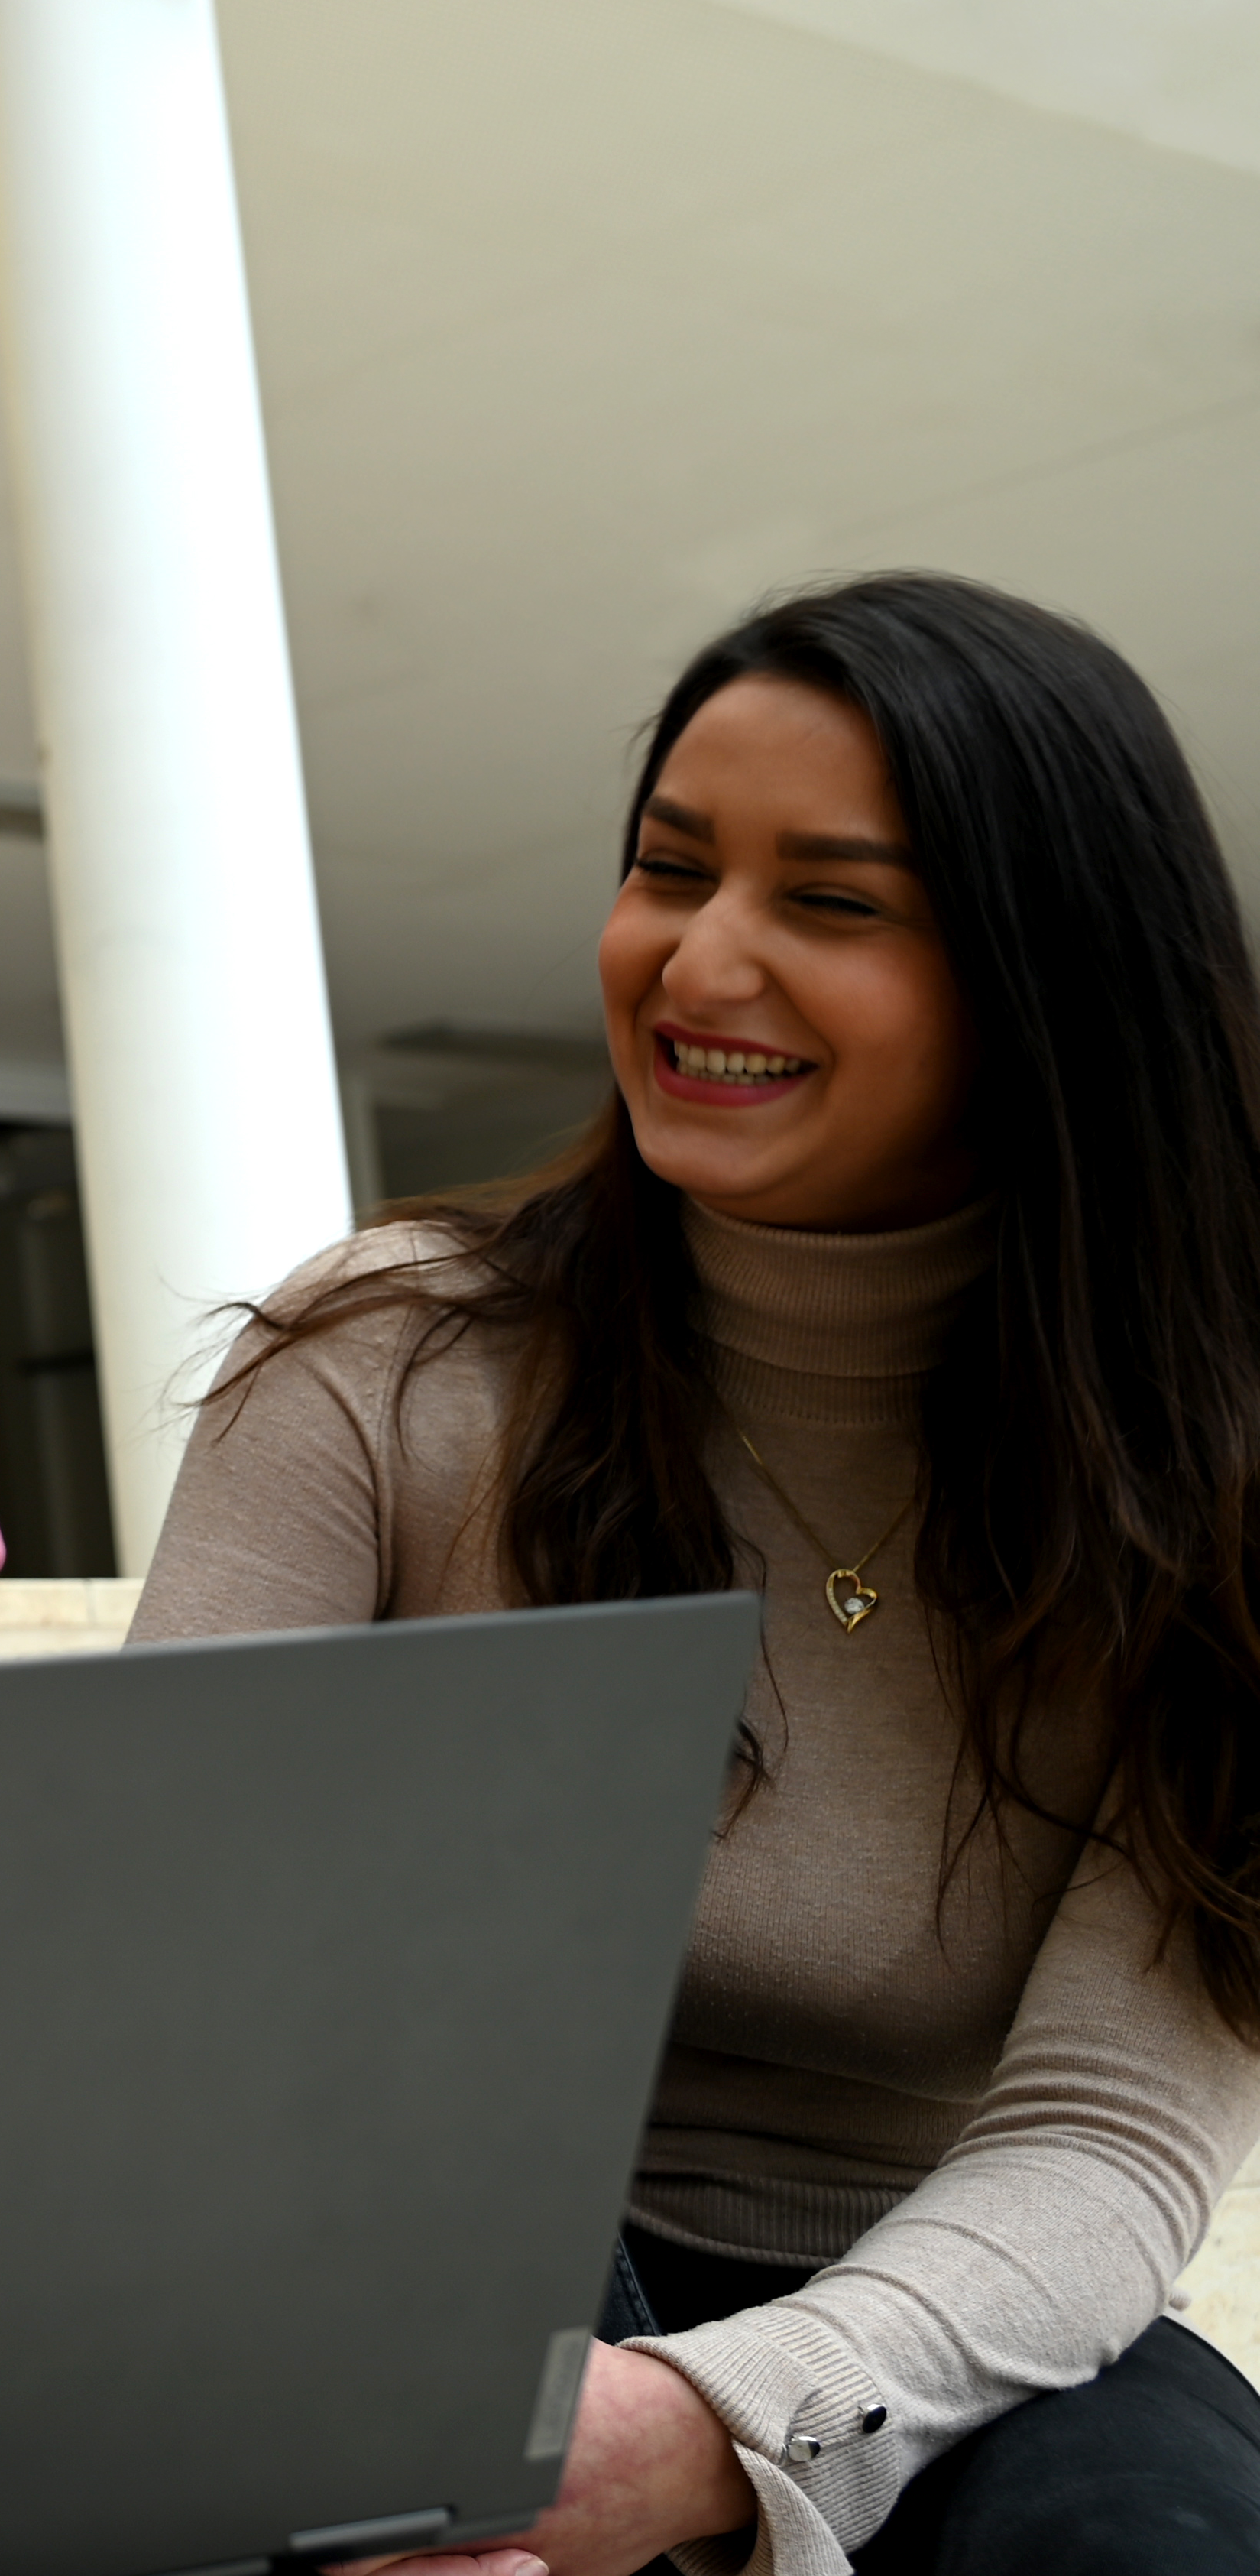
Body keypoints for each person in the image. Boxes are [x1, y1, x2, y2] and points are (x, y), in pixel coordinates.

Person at [141, 575, 1260, 2576]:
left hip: (948, 2306)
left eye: (829, 900)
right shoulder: (383, 1359)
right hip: (414, 2246)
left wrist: (710, 2424)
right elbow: (157, 1973)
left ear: (1046, 979)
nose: (699, 957)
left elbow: (1105, 2140)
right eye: (670, 868)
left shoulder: (1214, 1484)